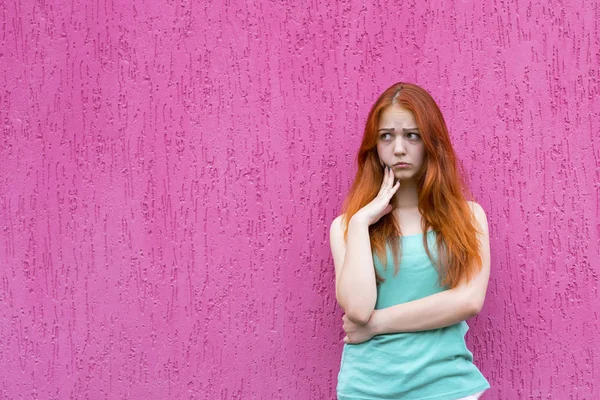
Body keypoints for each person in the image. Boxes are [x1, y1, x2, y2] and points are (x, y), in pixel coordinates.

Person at [329, 82, 491, 400]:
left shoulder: (468, 217)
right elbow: (358, 310)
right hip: (366, 389)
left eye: (411, 135)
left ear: (431, 142)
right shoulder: (347, 227)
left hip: (447, 386)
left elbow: (468, 301)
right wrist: (362, 222)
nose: (399, 148)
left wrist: (377, 325)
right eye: (386, 136)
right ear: (373, 146)